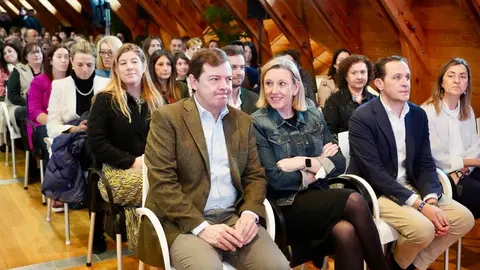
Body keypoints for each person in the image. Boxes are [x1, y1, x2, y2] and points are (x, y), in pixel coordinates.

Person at [137, 48, 290, 270]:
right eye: (214, 79)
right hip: (185, 223)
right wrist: (202, 227)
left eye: (228, 79)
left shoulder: (242, 121)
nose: (224, 86)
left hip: (233, 218)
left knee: (278, 267)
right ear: (193, 81)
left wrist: (250, 212)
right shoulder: (168, 118)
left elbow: (255, 175)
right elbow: (163, 184)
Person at [252, 57, 388, 270]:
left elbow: (339, 161)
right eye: (268, 83)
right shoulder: (258, 122)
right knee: (354, 199)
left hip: (320, 196)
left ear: (296, 87)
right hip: (285, 205)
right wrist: (318, 168)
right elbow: (276, 179)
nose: (273, 90)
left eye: (282, 84)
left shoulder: (313, 114)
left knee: (346, 232)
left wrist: (303, 162)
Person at [348, 55, 475, 270]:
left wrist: (431, 200)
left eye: (407, 76)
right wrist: (420, 205)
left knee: (464, 219)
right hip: (376, 190)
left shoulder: (417, 114)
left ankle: (405, 265)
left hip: (411, 184)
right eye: (397, 77)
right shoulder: (363, 117)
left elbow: (425, 162)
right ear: (379, 84)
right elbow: (374, 172)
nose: (405, 82)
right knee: (424, 229)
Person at [89, 43, 164, 251]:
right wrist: (132, 162)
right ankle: (157, 249)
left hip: (151, 169)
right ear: (116, 69)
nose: (129, 67)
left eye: (134, 61)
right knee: (165, 187)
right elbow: (97, 143)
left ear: (143, 66)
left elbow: (166, 138)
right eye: (123, 63)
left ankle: (151, 252)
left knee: (165, 184)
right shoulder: (105, 99)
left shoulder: (156, 100)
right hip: (114, 171)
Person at [422, 58, 480, 219]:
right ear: (441, 82)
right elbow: (435, 157)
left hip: (463, 172)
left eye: (462, 76)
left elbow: (475, 147)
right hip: (443, 177)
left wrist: (463, 170)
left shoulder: (466, 109)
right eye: (451, 76)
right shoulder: (427, 112)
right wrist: (472, 163)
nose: (457, 80)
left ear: (467, 83)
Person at [46, 40, 109, 139]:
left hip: (101, 138)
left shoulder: (106, 84)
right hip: (72, 139)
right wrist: (74, 129)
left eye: (89, 65)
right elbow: (52, 127)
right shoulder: (59, 86)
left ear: (95, 63)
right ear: (71, 62)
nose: (84, 69)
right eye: (80, 65)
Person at [323, 54, 376, 136]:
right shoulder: (334, 101)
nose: (359, 77)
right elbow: (328, 131)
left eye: (363, 72)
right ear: (346, 76)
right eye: (353, 73)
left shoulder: (375, 100)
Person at [222, 45, 258, 114]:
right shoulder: (212, 99)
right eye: (233, 67)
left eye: (242, 67)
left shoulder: (254, 99)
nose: (240, 73)